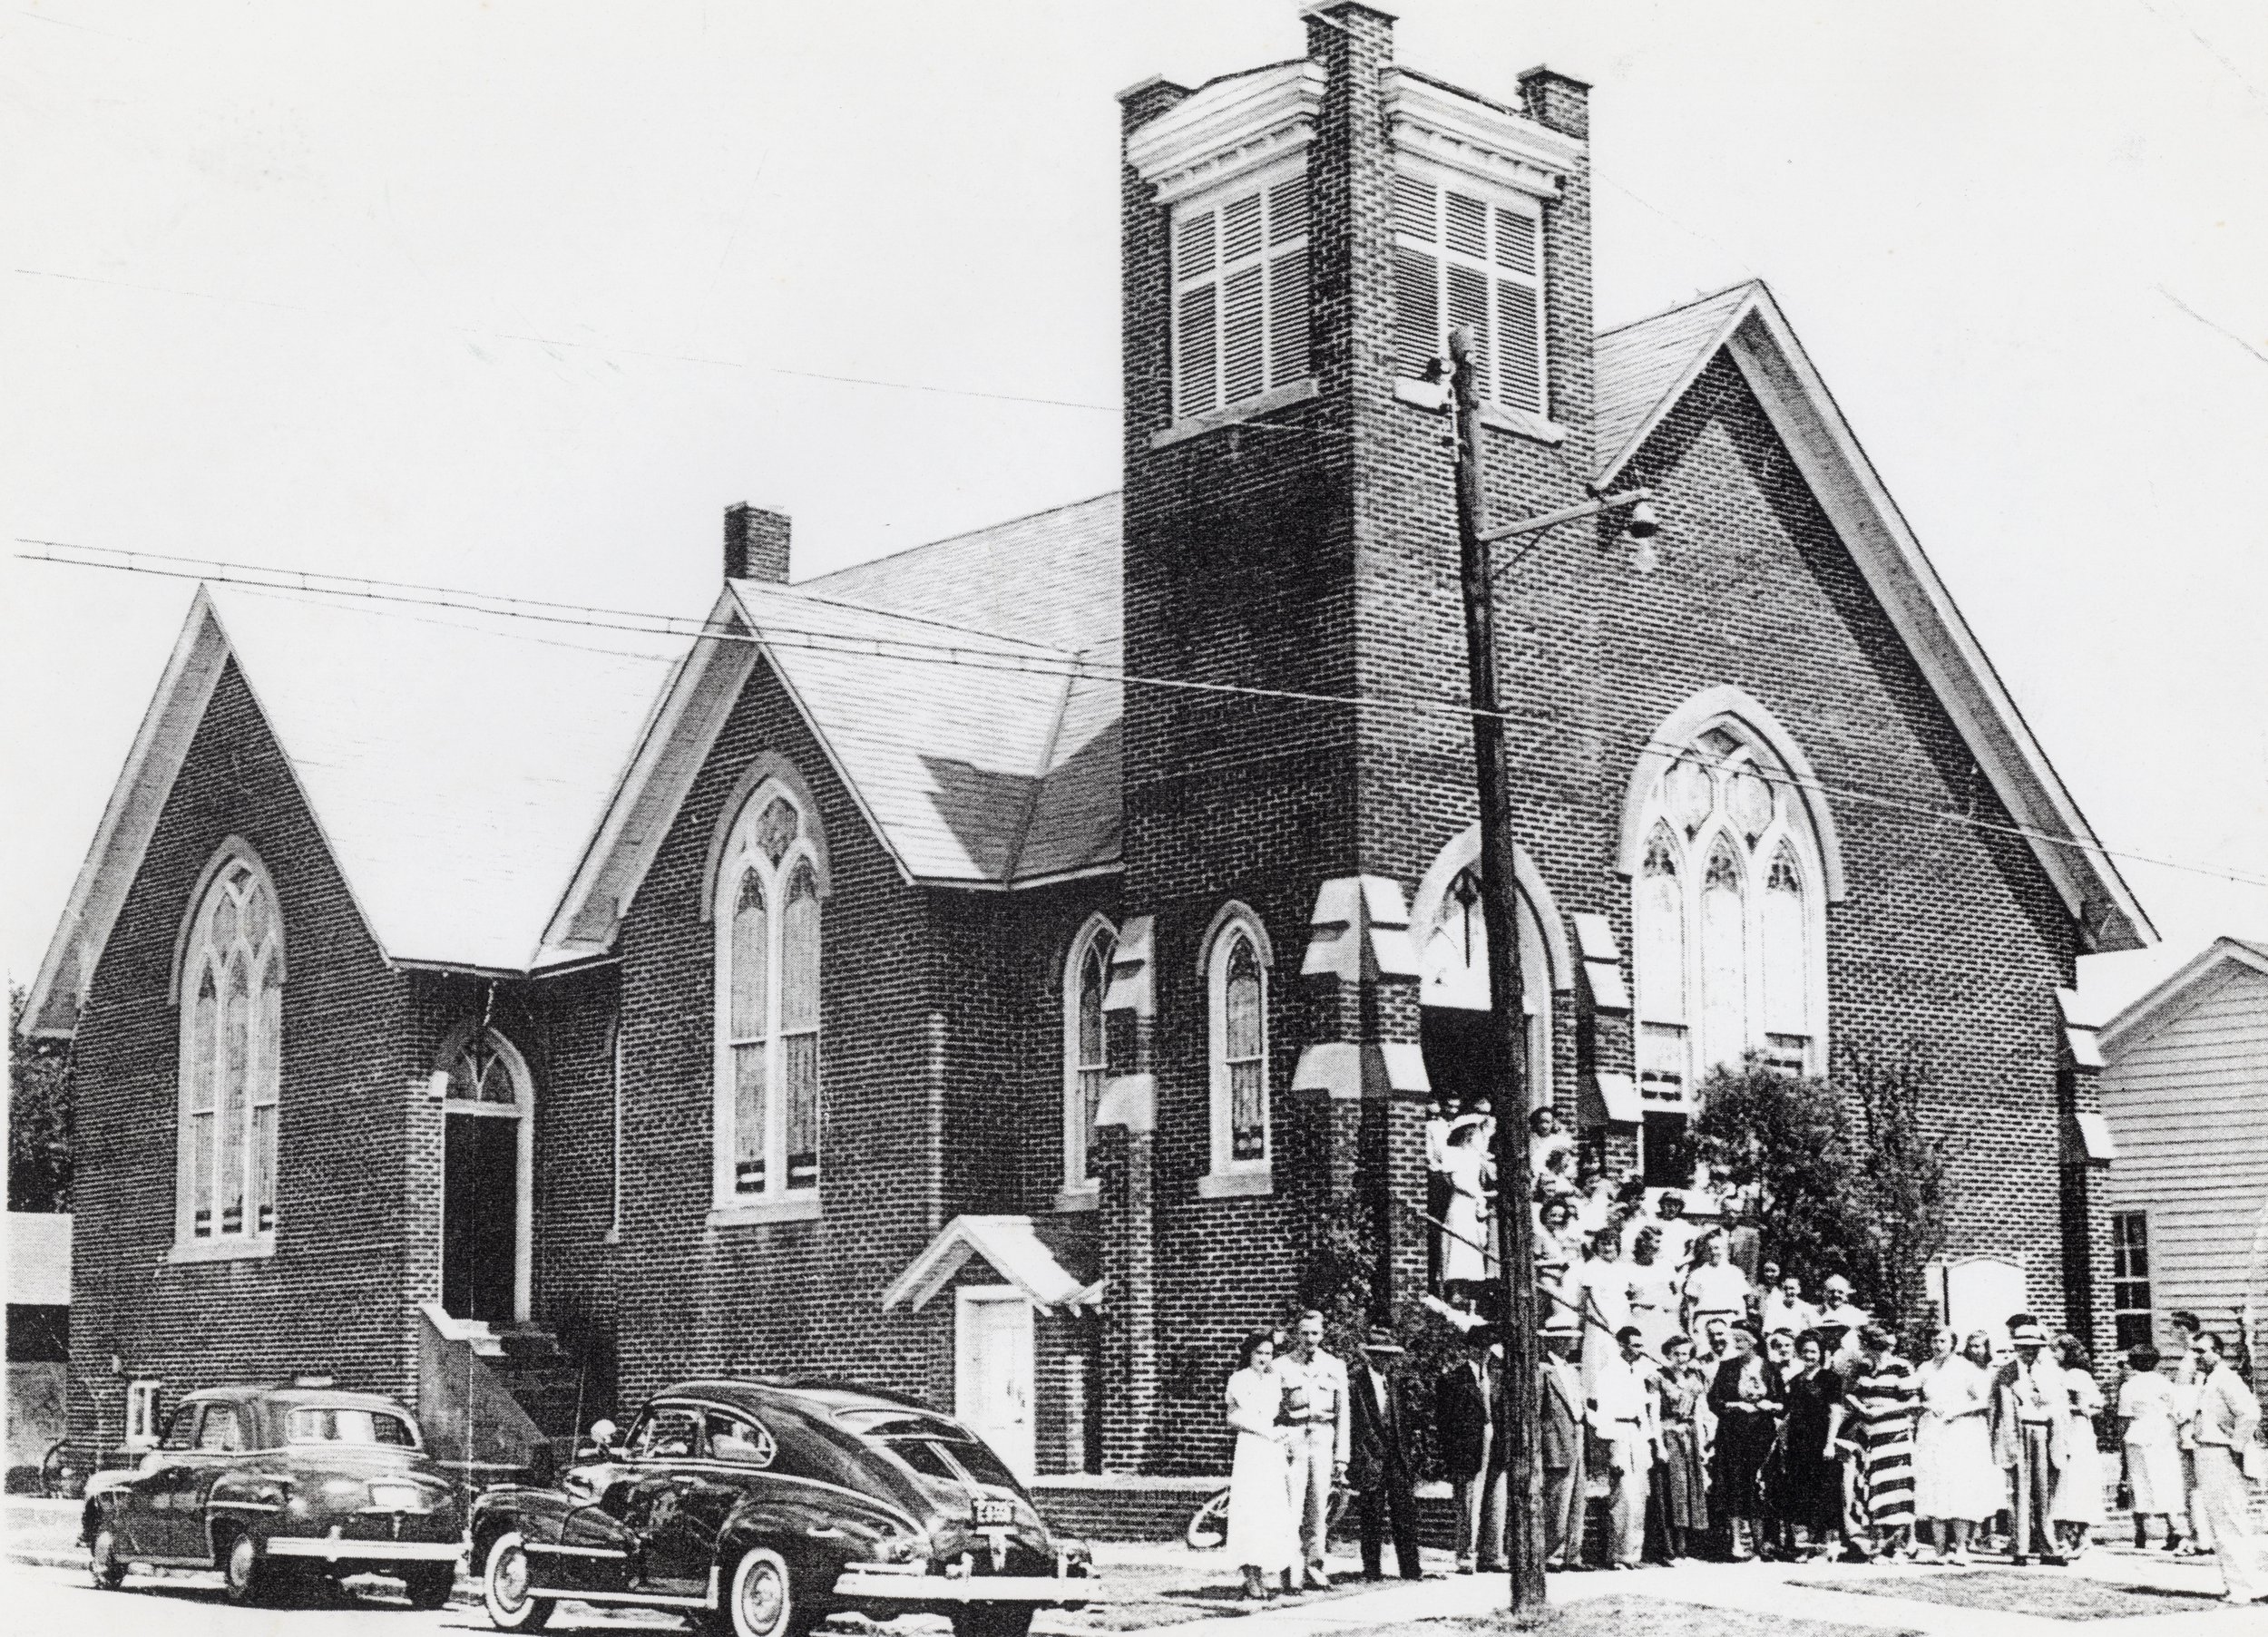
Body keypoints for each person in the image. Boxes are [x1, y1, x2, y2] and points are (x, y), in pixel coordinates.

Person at [2187, 1328, 2264, 1604]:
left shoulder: (2226, 1379)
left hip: (2220, 1454)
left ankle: (2242, 1587)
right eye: (2193, 1351)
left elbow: (2250, 1413)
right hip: (2207, 1452)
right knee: (2224, 1519)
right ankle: (2247, 1582)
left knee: (2228, 1519)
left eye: (2201, 1351)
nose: (2196, 1356)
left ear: (2217, 1352)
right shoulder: (2207, 1380)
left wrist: (2236, 1444)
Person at [1275, 1310, 1351, 1590]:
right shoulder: (1281, 1365)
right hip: (1293, 1439)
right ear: (1296, 1334)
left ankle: (1315, 1567)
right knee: (1291, 1508)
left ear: (1323, 1334)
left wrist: (1342, 1456)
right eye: (1305, 1333)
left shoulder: (1335, 1365)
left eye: (1315, 1333)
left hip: (1323, 1438)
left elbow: (1344, 1414)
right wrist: (1280, 1443)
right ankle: (1291, 1571)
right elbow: (1275, 1412)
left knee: (1318, 1508)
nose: (1310, 1339)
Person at [1990, 1314, 2070, 1566]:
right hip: (2018, 1432)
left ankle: (2048, 1547)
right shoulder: (2006, 1374)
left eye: (2033, 1347)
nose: (2028, 1352)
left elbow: (2061, 1407)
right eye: (2023, 1347)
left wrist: (2063, 1439)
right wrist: (1997, 1443)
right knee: (2020, 1492)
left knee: (2045, 1492)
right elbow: (1995, 1410)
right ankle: (2021, 1547)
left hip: (2046, 1432)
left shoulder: (2052, 1373)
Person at [1225, 1332, 1298, 1600]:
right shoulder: (1239, 1379)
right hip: (1251, 1448)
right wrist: (1265, 1431)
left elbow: (1281, 1413)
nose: (1263, 1358)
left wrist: (1282, 1434)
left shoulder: (1274, 1379)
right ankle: (1250, 1574)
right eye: (1259, 1353)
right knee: (1250, 1511)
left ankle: (1264, 1573)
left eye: (1268, 1353)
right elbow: (1232, 1418)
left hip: (1272, 1451)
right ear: (1249, 1354)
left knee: (1271, 1511)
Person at [1913, 1325, 1996, 1561]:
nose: (1937, 1345)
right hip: (1931, 1431)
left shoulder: (1965, 1368)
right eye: (1934, 1341)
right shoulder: (1925, 1368)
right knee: (1935, 1486)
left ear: (1952, 1344)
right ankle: (1940, 1549)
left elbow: (1983, 1401)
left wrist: (1954, 1412)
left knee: (1958, 1487)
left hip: (1960, 1431)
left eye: (1942, 1341)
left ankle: (1961, 1548)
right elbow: (1912, 1390)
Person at [1346, 1327, 1422, 1582]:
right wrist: (1360, 1455)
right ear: (1369, 1355)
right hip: (1370, 1456)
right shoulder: (1356, 1383)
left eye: (1388, 1355)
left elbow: (1405, 1419)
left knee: (1405, 1512)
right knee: (1372, 1513)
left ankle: (1410, 1569)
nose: (1384, 1360)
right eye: (1378, 1354)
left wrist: (1408, 1453)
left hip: (1397, 1456)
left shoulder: (1396, 1381)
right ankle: (1372, 1570)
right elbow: (1355, 1424)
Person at [1708, 1321, 1784, 1560]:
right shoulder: (1727, 1367)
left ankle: (1761, 1544)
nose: (1736, 1344)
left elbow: (1783, 1402)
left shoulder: (1770, 1369)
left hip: (1761, 1435)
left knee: (1757, 1485)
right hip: (1732, 1435)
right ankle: (1737, 1543)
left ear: (1753, 1342)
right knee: (1733, 1485)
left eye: (1741, 1340)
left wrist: (1770, 1406)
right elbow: (1714, 1400)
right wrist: (1733, 1405)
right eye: (1735, 1340)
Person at [1432, 1317, 1501, 1575]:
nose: (1484, 1354)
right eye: (1479, 1348)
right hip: (1467, 1448)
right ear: (1469, 1349)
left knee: (1493, 1501)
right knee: (1468, 1502)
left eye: (1488, 1348)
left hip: (1493, 1443)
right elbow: (1445, 1423)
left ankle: (1491, 1554)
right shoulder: (1453, 1380)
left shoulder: (1496, 1378)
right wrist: (1453, 1457)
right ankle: (1465, 1554)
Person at [1846, 1324, 1921, 1558]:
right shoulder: (1862, 1368)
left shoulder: (1901, 1366)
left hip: (1894, 1437)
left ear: (1870, 1344)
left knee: (1895, 1491)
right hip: (1867, 1438)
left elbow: (1913, 1402)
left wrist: (1881, 1411)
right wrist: (1860, 1407)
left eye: (1861, 1344)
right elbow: (1848, 1393)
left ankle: (1898, 1547)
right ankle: (1877, 1546)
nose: (1859, 1348)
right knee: (1871, 1490)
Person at [1589, 1325, 1660, 1569]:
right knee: (1623, 1498)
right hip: (1619, 1434)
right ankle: (1617, 1555)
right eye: (1635, 1345)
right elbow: (1605, 1413)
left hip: (1638, 1435)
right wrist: (1613, 1452)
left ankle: (1633, 1555)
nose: (1640, 1350)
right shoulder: (1609, 1373)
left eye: (1641, 1345)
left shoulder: (1639, 1372)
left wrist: (1649, 1444)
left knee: (1640, 1498)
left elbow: (1645, 1410)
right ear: (1622, 1345)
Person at [1780, 1331, 1848, 1560]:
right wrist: (1782, 1441)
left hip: (1822, 1443)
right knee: (1802, 1493)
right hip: (1799, 1445)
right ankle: (1806, 1547)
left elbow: (1835, 1412)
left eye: (1813, 1351)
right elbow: (1789, 1415)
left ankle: (1827, 1548)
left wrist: (1830, 1443)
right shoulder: (1796, 1380)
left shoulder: (1831, 1379)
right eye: (1805, 1351)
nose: (1809, 1355)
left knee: (1825, 1493)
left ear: (1821, 1354)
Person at [2118, 1343, 2186, 1552]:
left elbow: (2124, 1418)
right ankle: (2173, 1528)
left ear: (2132, 1363)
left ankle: (2140, 1532)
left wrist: (2120, 1442)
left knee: (2138, 1481)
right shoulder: (2166, 1383)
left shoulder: (2129, 1386)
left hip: (2139, 1435)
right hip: (2163, 1436)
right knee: (2165, 1480)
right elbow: (2177, 1410)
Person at [1654, 1333, 1711, 1561]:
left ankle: (1686, 1549)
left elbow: (1699, 1411)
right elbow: (1653, 1412)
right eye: (1676, 1353)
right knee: (1672, 1491)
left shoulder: (1695, 1379)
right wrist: (1659, 1443)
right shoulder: (1658, 1377)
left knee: (1690, 1491)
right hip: (1669, 1435)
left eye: (1686, 1354)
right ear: (1668, 1354)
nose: (1681, 1358)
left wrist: (1704, 1444)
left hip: (1691, 1436)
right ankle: (1671, 1550)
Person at [2048, 1333, 2106, 1557]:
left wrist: (2056, 1406)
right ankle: (2070, 1537)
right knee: (2067, 1484)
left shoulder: (2075, 1375)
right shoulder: (2067, 1374)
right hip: (2069, 1428)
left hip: (2075, 1431)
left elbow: (2083, 1407)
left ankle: (2079, 1538)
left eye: (2057, 1350)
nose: (2053, 1355)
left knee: (2075, 1482)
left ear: (2068, 1351)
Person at [1540, 1324, 1588, 1570]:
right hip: (1556, 1438)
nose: (1573, 1343)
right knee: (1558, 1498)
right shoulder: (1543, 1369)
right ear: (1555, 1341)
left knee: (1578, 1498)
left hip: (1577, 1434)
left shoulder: (1571, 1370)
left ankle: (1573, 1554)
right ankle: (1551, 1554)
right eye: (1568, 1339)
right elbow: (1538, 1410)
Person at [1438, 1117, 1496, 1301]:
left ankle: (1467, 1290)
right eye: (1475, 1132)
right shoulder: (1451, 1153)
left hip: (1474, 1204)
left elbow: (1487, 1177)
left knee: (1473, 1244)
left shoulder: (1477, 1156)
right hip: (1461, 1202)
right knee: (1458, 1243)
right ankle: (1454, 1289)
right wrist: (1475, 1194)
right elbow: (1454, 1181)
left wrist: (1482, 1196)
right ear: (1467, 1134)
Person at [1569, 1227, 1634, 1392]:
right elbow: (1594, 1297)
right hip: (1600, 1318)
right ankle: (1595, 1397)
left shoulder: (1621, 1267)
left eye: (1611, 1244)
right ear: (1596, 1246)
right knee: (1600, 1356)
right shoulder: (1593, 1266)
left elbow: (1627, 1293)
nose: (1607, 1248)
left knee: (1619, 1356)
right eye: (1603, 1244)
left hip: (1621, 1315)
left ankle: (1618, 1396)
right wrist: (1607, 1320)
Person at [2169, 1310, 2207, 1556]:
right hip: (2193, 1425)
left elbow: (2188, 1397)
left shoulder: (2191, 1358)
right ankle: (2202, 1535)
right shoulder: (2194, 1356)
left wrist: (2179, 1419)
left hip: (2189, 1427)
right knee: (2195, 1485)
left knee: (2193, 1485)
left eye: (2174, 1327)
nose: (2172, 1333)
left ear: (2184, 1329)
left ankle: (2199, 1537)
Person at [1682, 1233, 1752, 1342]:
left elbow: (1742, 1303)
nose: (1713, 1252)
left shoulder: (1735, 1272)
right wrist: (1690, 1330)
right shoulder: (1697, 1274)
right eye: (1709, 1249)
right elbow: (1691, 1305)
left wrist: (1742, 1327)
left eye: (1717, 1248)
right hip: (1703, 1322)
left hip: (1730, 1321)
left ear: (1724, 1249)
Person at [1627, 1227, 1679, 1358]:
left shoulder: (1666, 1265)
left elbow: (1675, 1293)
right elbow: (1624, 1297)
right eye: (1656, 1242)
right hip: (1640, 1319)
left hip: (1664, 1319)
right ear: (1643, 1243)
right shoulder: (1627, 1267)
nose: (1659, 1246)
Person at [1761, 1274, 1821, 1341]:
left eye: (1792, 1288)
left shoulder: (1806, 1308)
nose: (1788, 1292)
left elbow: (1813, 1333)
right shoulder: (1773, 1307)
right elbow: (1767, 1333)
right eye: (1785, 1288)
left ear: (1799, 1289)